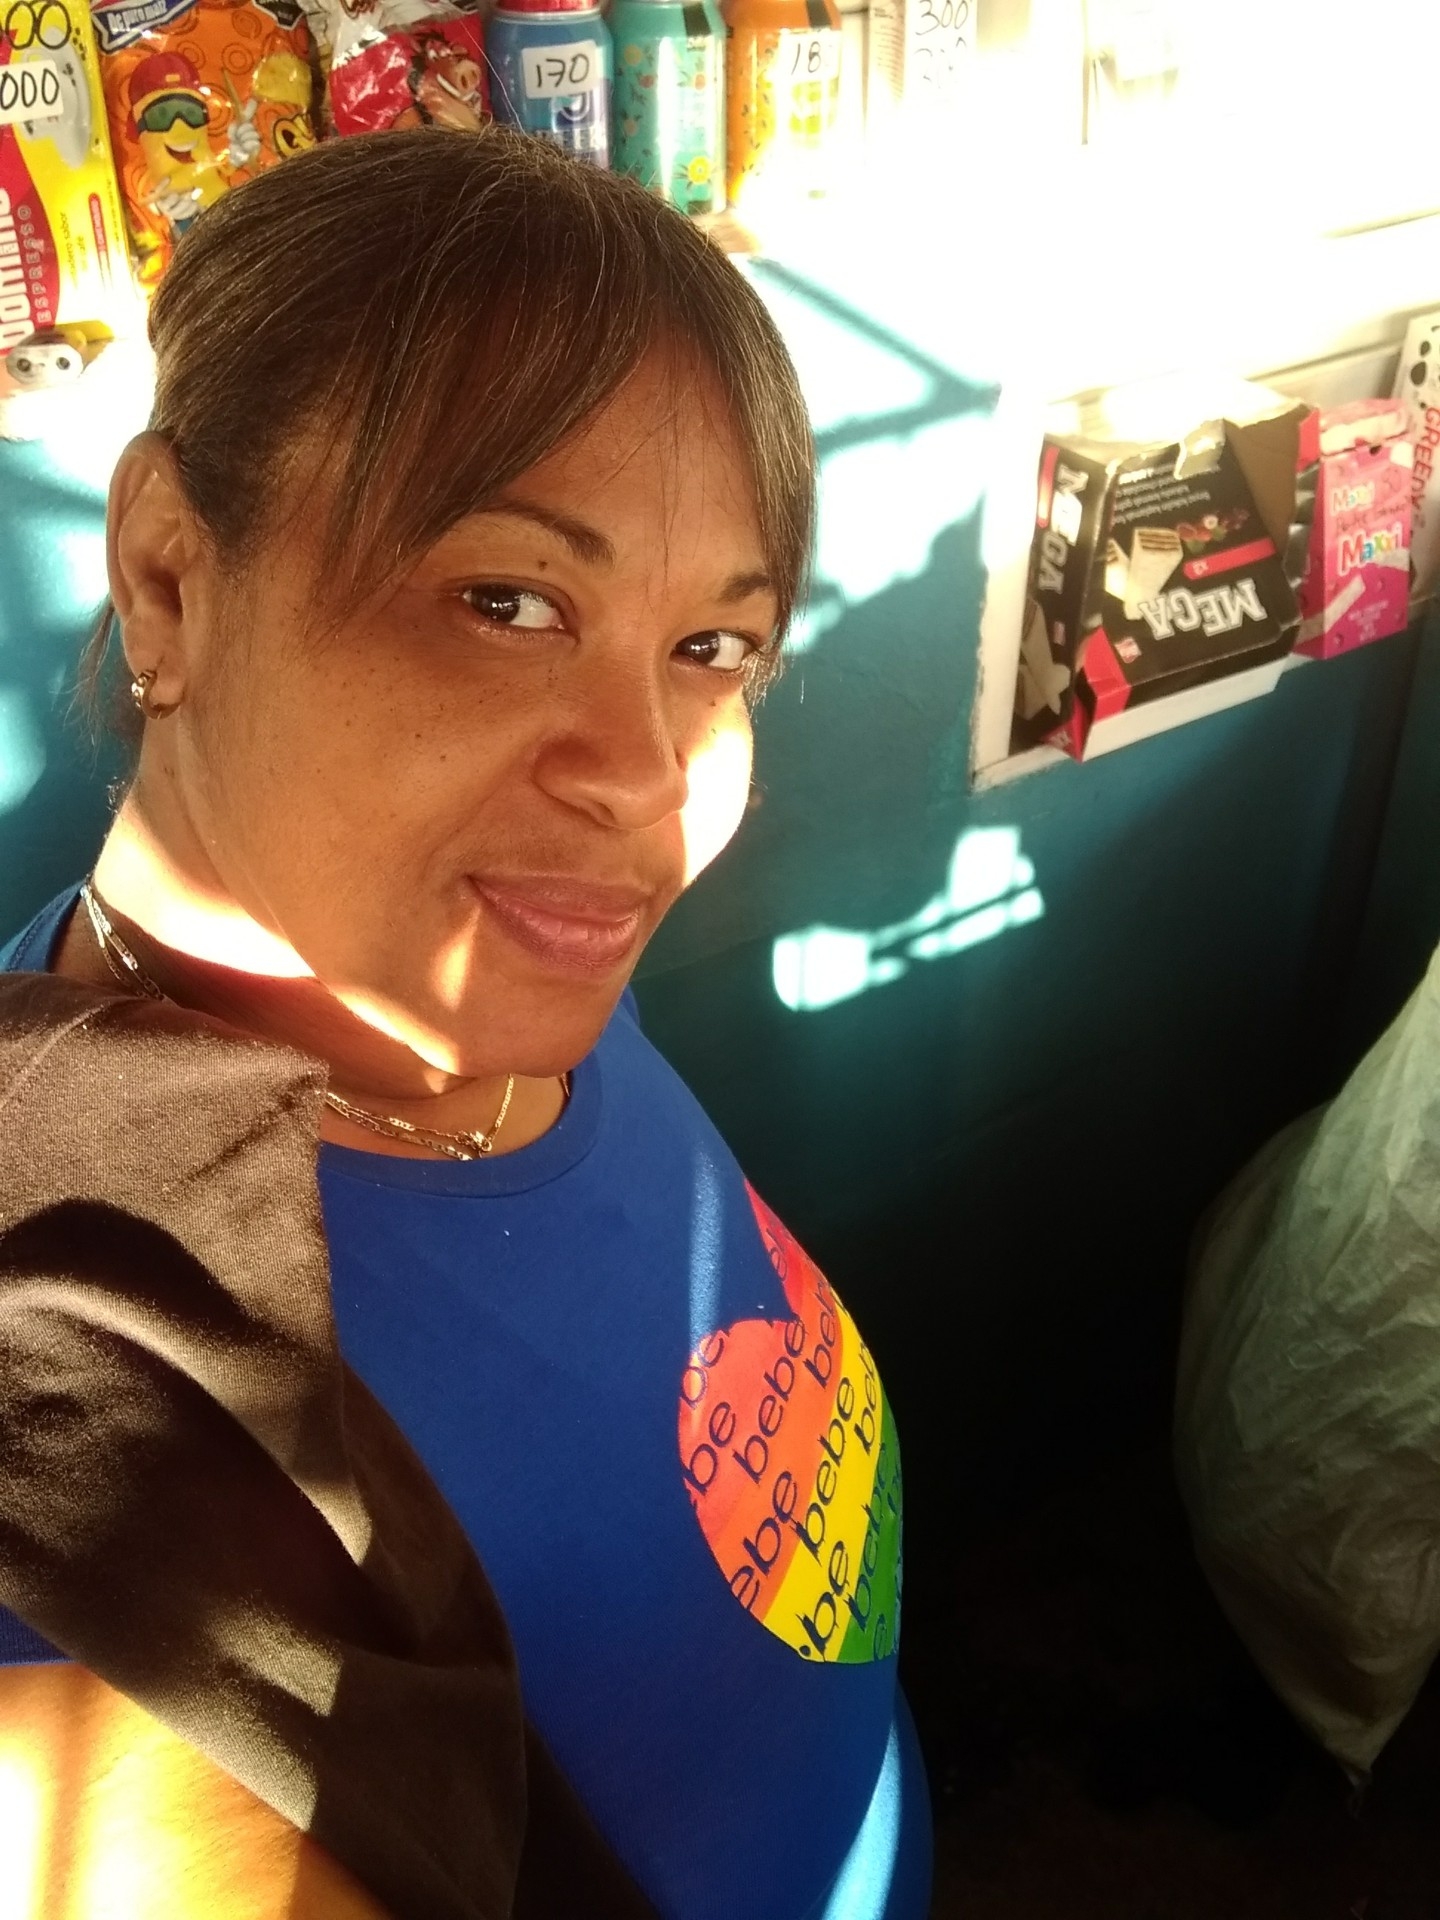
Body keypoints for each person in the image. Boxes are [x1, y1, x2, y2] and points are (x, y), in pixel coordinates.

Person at [0, 128, 930, 1919]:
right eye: (507, 604)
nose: (645, 775)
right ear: (169, 577)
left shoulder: (469, 995)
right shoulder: (93, 1414)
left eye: (712, 648)